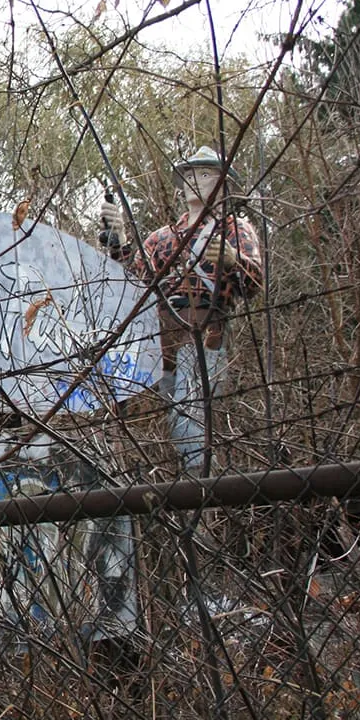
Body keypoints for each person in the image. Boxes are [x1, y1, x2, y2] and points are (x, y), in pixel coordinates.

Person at [99, 146, 264, 475]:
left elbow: (254, 282)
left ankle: (200, 495)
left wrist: (234, 261)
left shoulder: (233, 230)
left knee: (187, 415)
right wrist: (117, 237)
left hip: (205, 335)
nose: (194, 182)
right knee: (169, 420)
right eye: (188, 175)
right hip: (162, 346)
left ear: (223, 184)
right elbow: (131, 283)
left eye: (204, 175)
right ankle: (186, 492)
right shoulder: (163, 238)